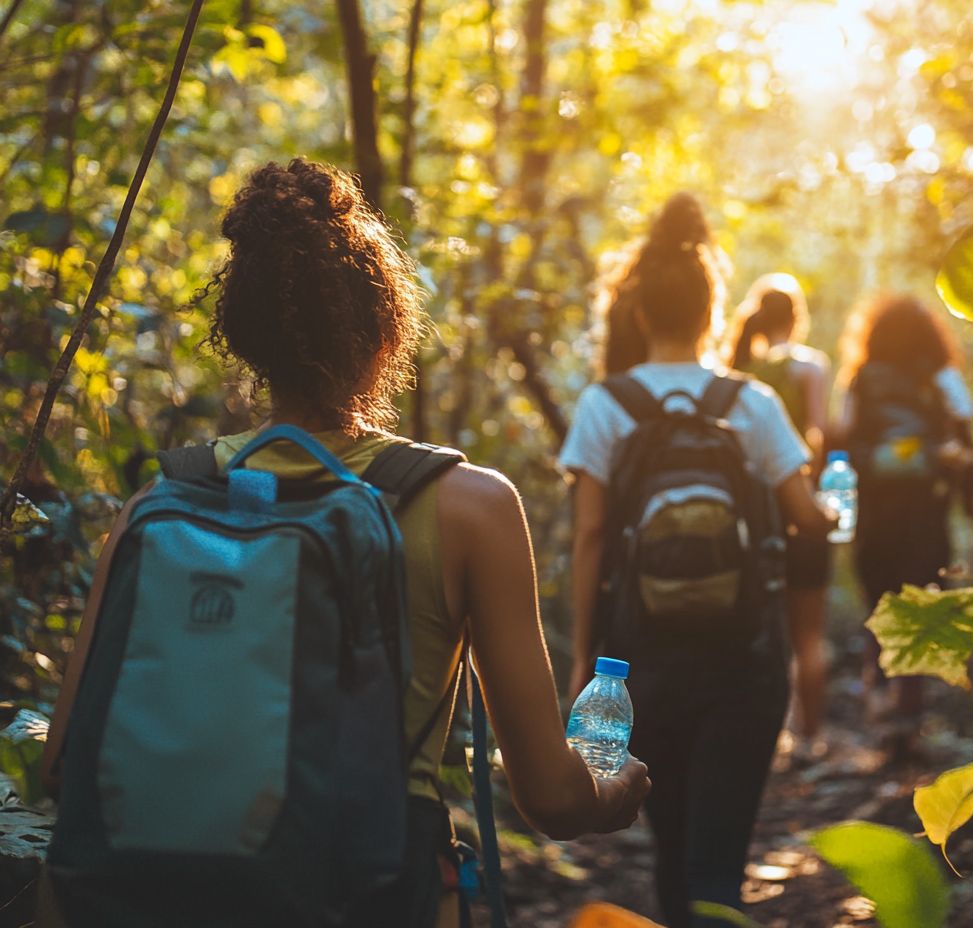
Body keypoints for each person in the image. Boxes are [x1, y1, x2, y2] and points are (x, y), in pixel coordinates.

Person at [40, 159, 650, 927]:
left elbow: (64, 762)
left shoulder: (161, 504)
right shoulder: (468, 507)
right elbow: (554, 799)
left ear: (243, 334)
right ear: (390, 329)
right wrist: (615, 787)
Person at [560, 193, 834, 928]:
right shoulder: (750, 404)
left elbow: (588, 540)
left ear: (640, 314)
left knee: (672, 851)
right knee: (720, 863)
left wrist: (585, 657)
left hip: (640, 665)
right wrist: (834, 509)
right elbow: (807, 517)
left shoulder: (603, 406)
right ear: (713, 312)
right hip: (744, 658)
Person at [834, 293, 973, 758]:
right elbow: (966, 437)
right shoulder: (941, 375)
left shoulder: (861, 378)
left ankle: (879, 704)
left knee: (878, 607)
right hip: (925, 515)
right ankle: (909, 714)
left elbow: (840, 435)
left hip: (876, 515)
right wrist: (968, 494)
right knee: (920, 609)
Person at [728, 273, 832, 752]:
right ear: (798, 318)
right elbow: (816, 437)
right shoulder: (810, 367)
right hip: (802, 507)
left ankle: (764, 737)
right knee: (808, 633)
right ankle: (808, 737)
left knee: (756, 629)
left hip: (749, 517)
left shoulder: (739, 370)